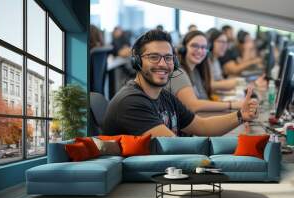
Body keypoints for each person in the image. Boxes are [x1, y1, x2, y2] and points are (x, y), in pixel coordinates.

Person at [102, 29, 258, 137]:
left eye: (168, 58)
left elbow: (202, 125)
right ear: (137, 62)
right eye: (154, 57)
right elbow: (173, 146)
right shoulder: (132, 102)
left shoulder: (164, 96)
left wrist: (240, 115)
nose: (163, 64)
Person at [168, 30, 245, 112]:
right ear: (183, 49)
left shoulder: (196, 72)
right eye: (194, 46)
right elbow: (193, 105)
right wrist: (231, 105)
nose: (200, 51)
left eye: (203, 47)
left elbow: (203, 98)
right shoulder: (178, 73)